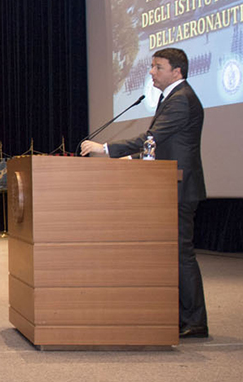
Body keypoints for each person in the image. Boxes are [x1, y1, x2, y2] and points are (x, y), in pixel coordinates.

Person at [80, 47, 208, 338]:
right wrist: (134, 160)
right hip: (166, 185)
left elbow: (152, 138)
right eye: (152, 66)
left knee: (180, 254)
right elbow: (158, 147)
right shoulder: (172, 98)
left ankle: (196, 321)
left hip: (178, 187)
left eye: (158, 67)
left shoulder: (181, 100)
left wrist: (107, 149)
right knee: (172, 253)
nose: (151, 72)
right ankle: (181, 316)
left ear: (177, 72)